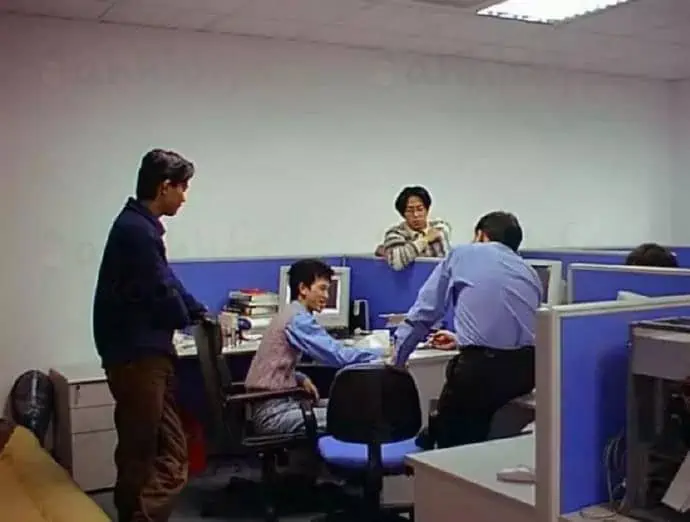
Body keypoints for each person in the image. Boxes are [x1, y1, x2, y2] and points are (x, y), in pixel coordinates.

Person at [92, 149, 207, 522]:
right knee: (145, 450)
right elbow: (161, 291)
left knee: (156, 448)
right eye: (182, 188)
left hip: (141, 354)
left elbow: (167, 280)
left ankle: (134, 513)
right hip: (137, 357)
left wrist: (197, 311)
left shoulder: (140, 227)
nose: (184, 198)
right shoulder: (137, 232)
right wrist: (187, 319)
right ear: (164, 187)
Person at [392, 211, 542, 448]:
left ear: (481, 235)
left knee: (451, 446)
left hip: (481, 372)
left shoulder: (463, 254)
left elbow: (426, 313)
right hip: (527, 370)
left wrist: (398, 360)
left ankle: (438, 437)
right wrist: (461, 339)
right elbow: (513, 323)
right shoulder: (529, 272)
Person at [245, 259, 385, 435]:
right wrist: (384, 352)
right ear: (303, 289)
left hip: (281, 403)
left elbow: (275, 365)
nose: (326, 296)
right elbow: (338, 355)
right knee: (356, 415)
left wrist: (299, 377)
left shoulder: (289, 313)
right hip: (274, 414)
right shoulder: (298, 320)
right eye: (322, 289)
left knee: (350, 406)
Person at [381, 186, 451, 271]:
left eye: (420, 209)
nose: (416, 215)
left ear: (427, 210)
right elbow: (396, 262)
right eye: (410, 211)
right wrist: (425, 240)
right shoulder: (394, 234)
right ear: (403, 214)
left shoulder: (439, 227)